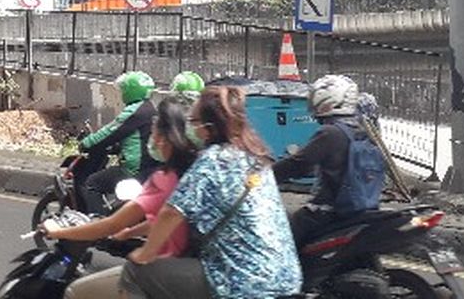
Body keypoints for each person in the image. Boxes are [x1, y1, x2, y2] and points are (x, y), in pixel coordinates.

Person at [123, 86, 302, 299]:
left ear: (208, 127)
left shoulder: (213, 160)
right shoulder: (256, 159)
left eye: (194, 122)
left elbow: (171, 214)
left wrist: (146, 253)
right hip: (287, 280)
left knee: (134, 271)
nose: (190, 127)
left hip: (244, 285)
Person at [42, 99, 200, 299]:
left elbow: (110, 224)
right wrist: (131, 232)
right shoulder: (193, 172)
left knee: (76, 291)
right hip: (186, 269)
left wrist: (61, 232)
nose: (151, 139)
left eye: (153, 133)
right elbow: (167, 220)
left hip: (162, 271)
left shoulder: (164, 179)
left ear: (163, 138)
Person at [273, 74, 386, 247]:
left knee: (283, 235)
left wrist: (265, 175)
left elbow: (298, 164)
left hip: (331, 211)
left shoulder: (330, 133)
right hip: (364, 209)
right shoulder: (362, 130)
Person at [75, 71, 159, 215]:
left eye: (123, 90)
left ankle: (98, 226)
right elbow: (136, 138)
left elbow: (109, 132)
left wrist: (86, 143)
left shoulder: (134, 111)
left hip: (133, 170)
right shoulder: (150, 109)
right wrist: (118, 147)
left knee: (92, 183)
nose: (122, 94)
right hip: (150, 168)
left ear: (130, 91)